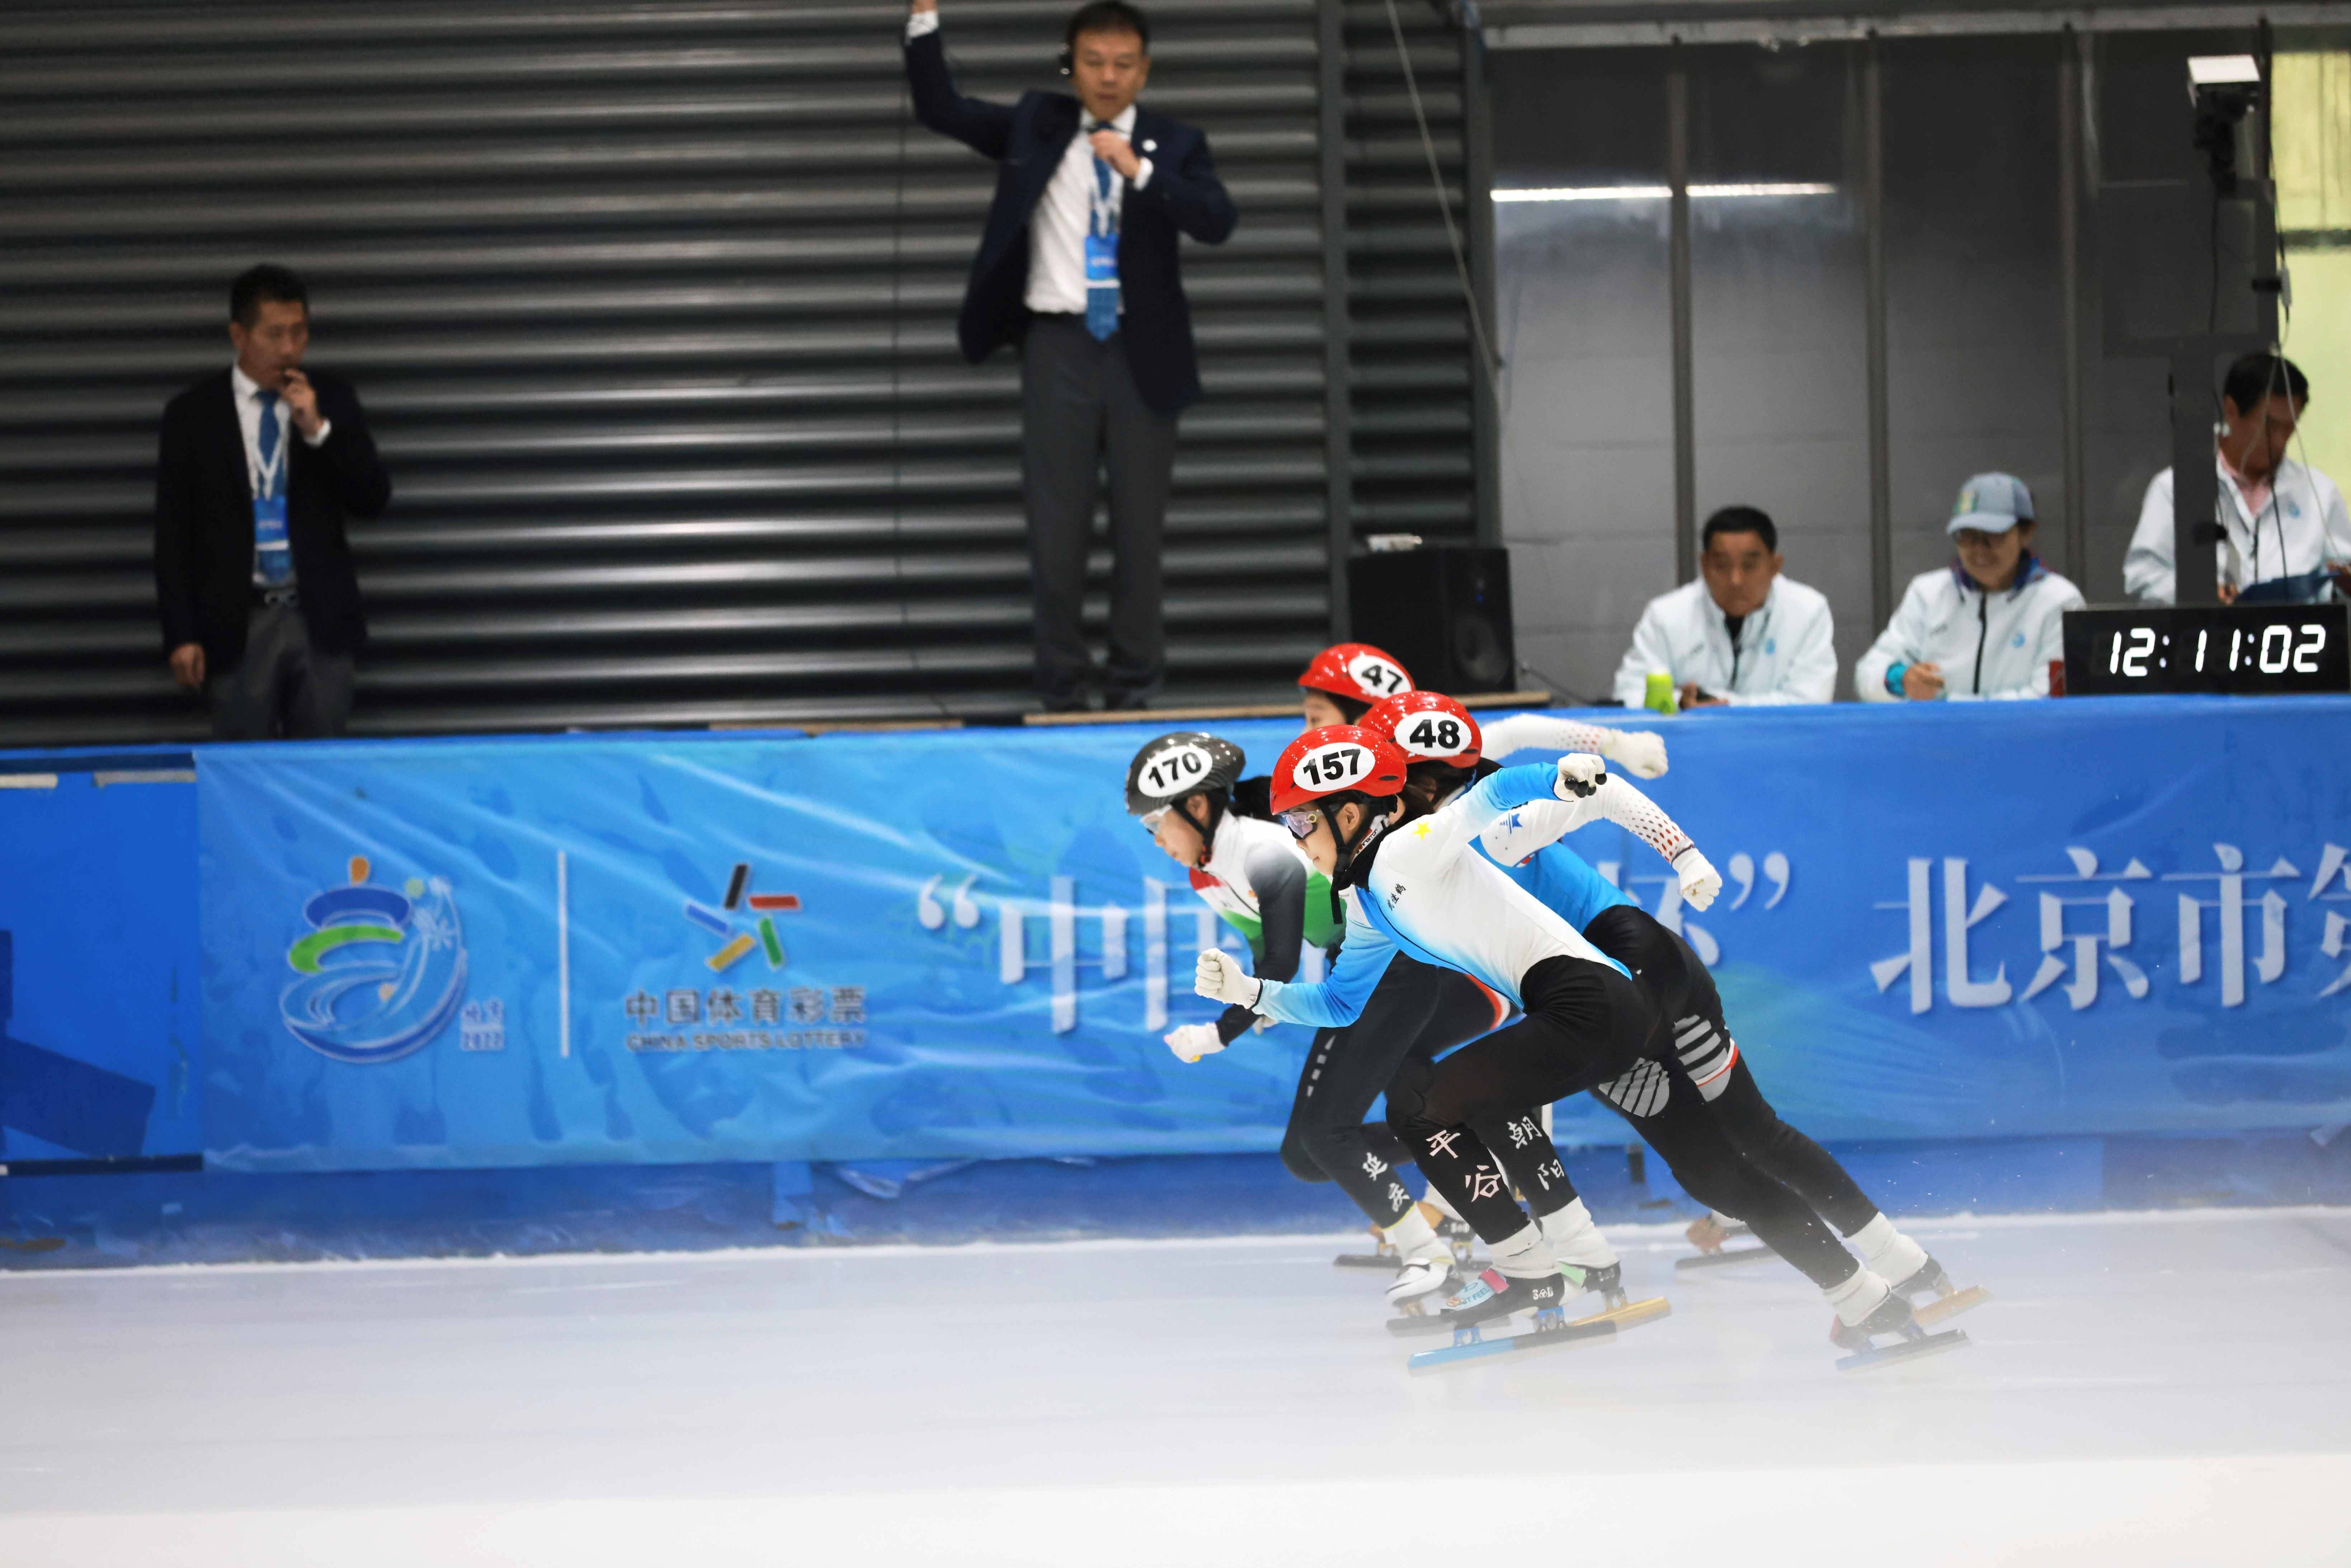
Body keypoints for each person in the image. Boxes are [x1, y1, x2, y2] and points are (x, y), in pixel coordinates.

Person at [1198, 728, 1927, 1353]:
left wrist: (1558, 778)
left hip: (1580, 1005)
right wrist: (1249, 993)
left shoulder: (1405, 851)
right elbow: (1337, 1002)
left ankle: (1528, 1270)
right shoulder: (1365, 906)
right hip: (1610, 1011)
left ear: (1350, 811)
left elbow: (1482, 800)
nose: (1296, 841)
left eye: (1301, 824)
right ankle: (1866, 1298)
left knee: (1418, 1102)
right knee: (1712, 1173)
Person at [1451, 695, 1975, 1326]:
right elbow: (1518, 731)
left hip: (1620, 974)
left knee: (1734, 1151)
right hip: (1611, 983)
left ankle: (1562, 1256)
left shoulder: (1483, 829)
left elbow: (1588, 788)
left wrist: (1679, 850)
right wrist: (1616, 743)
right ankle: (1886, 1277)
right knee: (1727, 1160)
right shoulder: (1420, 839)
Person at [1127, 730, 1564, 1309]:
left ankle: (1424, 1250)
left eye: (1156, 823)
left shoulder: (1260, 851)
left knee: (1325, 1135)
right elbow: (1268, 953)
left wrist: (1217, 1032)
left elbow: (1281, 962)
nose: (1155, 840)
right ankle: (1471, 1130)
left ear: (1198, 806)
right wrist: (1259, 1007)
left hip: (1390, 965)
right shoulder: (1206, 873)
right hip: (1355, 967)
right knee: (1304, 1156)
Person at [906, 0, 1237, 712]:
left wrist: (1142, 174)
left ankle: (1133, 686)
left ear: (1144, 70)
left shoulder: (1174, 143)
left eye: (1123, 65)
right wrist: (925, 20)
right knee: (1055, 530)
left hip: (1138, 351)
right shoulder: (1037, 123)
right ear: (1070, 64)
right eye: (1093, 62)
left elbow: (1218, 220)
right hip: (1057, 345)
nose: (1108, 78)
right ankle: (1061, 684)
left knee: (1138, 531)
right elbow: (941, 109)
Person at [154, 264, 390, 740]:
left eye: (299, 332)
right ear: (238, 335)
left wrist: (318, 431)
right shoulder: (193, 414)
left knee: (321, 775)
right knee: (245, 774)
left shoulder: (333, 399)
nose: (289, 348)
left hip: (317, 617)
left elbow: (373, 498)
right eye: (275, 334)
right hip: (239, 622)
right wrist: (181, 633)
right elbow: (173, 532)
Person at [2124, 352, 2351, 604]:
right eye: (2270, 426)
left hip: (2298, 639)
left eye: (2290, 427)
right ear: (2232, 410)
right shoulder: (2174, 489)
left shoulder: (2319, 492)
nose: (2280, 440)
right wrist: (2204, 594)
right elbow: (2143, 576)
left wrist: (2339, 585)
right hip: (2209, 636)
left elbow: (2338, 575)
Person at [1855, 473, 2083, 702]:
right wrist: (1900, 680)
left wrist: (1948, 705)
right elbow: (1869, 673)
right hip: (1933, 738)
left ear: (2026, 533)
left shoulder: (2059, 601)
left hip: (2019, 738)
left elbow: (2049, 697)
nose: (1980, 550)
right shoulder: (1928, 593)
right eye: (1967, 536)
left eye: (1994, 536)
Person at [1611, 506, 1837, 709]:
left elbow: (1811, 701)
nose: (1735, 580)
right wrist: (1679, 703)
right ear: (1705, 564)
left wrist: (1720, 705)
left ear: (1775, 565)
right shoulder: (1666, 615)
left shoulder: (1808, 611)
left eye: (1749, 566)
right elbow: (1629, 693)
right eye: (1722, 566)